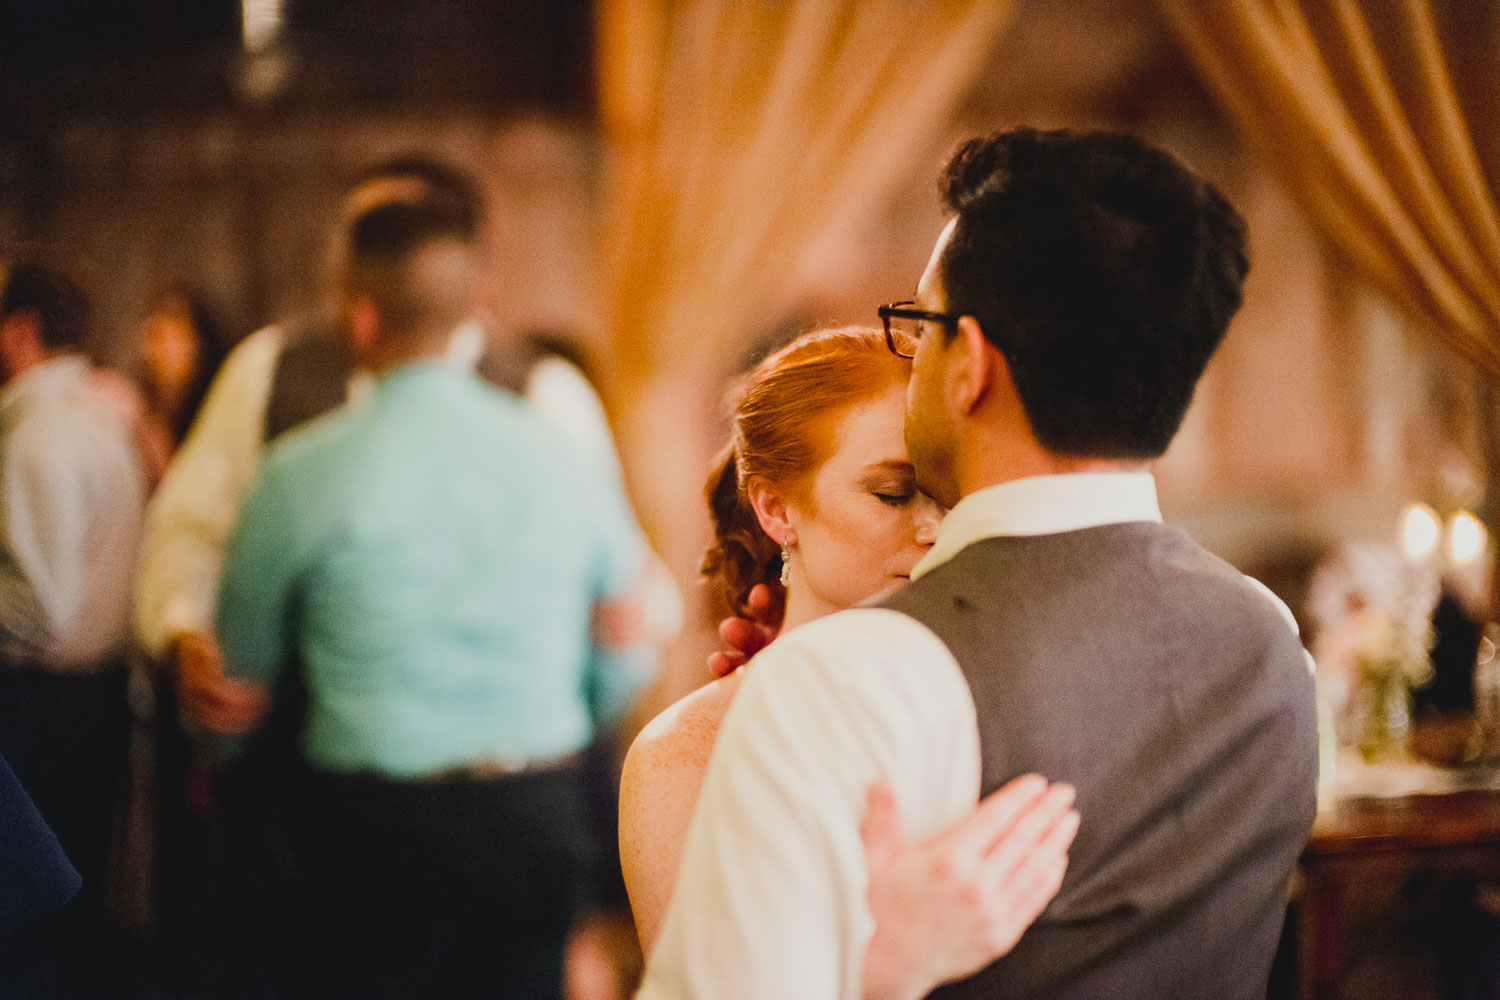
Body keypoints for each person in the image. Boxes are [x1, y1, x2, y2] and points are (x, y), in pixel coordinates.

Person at [639, 128, 1319, 999]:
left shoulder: (843, 683)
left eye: (922, 325)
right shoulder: (1269, 639)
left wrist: (873, 969)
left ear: (971, 368)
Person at [214, 195, 653, 1000]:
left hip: (368, 831)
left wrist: (217, 761)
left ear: (361, 317)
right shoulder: (559, 459)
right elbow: (628, 644)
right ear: (471, 313)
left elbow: (236, 681)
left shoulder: (299, 475)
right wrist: (580, 714)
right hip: (534, 812)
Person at [620, 327, 1081, 999]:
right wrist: (886, 964)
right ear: (778, 509)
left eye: (948, 498)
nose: (932, 529)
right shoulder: (685, 756)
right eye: (893, 494)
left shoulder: (1011, 699)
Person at [0, 262, 148, 995]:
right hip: (96, 696)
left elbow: (36, 607)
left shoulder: (35, 435)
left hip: (41, 704)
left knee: (31, 919)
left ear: (21, 332)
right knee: (73, 903)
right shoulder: (100, 416)